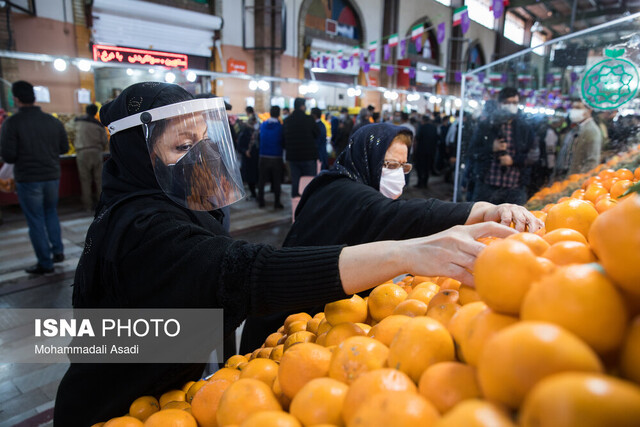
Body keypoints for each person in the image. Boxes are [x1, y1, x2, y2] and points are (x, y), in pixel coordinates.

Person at [52, 83, 518, 426]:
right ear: (138, 154)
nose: (201, 156)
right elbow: (245, 273)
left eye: (204, 141)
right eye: (182, 145)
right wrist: (408, 254)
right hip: (110, 409)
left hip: (168, 398)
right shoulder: (140, 226)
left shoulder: (168, 205)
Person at [238, 123, 542, 351]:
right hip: (280, 332)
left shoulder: (339, 185)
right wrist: (484, 211)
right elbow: (407, 216)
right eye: (387, 165)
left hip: (320, 323)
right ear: (365, 158)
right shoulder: (344, 193)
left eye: (402, 166)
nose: (398, 174)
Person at [0, 81, 69, 274]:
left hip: (29, 179)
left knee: (36, 219)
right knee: (51, 214)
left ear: (15, 98)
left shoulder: (12, 123)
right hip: (52, 175)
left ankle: (45, 263)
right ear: (34, 97)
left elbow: (8, 156)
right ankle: (58, 252)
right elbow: (63, 148)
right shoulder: (52, 121)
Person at [468, 87, 536, 205]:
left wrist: (513, 160)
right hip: (487, 186)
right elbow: (472, 151)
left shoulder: (524, 127)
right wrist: (491, 148)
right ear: (499, 104)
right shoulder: (486, 126)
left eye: (514, 103)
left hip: (515, 188)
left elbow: (534, 155)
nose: (511, 106)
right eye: (507, 103)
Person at [71, 103, 108, 212]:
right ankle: (102, 205)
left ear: (86, 111)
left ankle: (87, 206)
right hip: (96, 152)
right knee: (99, 180)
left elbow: (70, 133)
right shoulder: (99, 125)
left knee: (85, 180)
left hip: (82, 153)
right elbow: (105, 141)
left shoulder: (78, 122)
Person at [282, 97, 319, 197]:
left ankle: (296, 206)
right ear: (302, 106)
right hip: (308, 156)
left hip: (293, 157)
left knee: (296, 181)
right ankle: (308, 206)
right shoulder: (309, 119)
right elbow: (317, 134)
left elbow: (283, 139)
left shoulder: (287, 121)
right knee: (309, 182)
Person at [555, 100, 603, 177]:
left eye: (578, 108)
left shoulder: (592, 131)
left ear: (589, 110)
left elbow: (592, 162)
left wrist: (579, 181)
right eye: (573, 107)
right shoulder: (576, 127)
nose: (574, 110)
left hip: (575, 179)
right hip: (566, 176)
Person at [257, 105, 284, 209]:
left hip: (263, 156)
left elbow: (259, 138)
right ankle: (277, 202)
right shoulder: (280, 127)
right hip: (276, 156)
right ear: (279, 114)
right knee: (277, 180)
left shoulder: (263, 125)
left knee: (262, 180)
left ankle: (261, 201)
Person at [237, 114, 260, 199]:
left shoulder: (258, 132)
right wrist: (245, 151)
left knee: (256, 176)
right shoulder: (244, 133)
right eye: (254, 122)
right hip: (248, 159)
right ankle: (253, 193)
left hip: (256, 158)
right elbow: (239, 147)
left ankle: (255, 193)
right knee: (250, 177)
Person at [414, 115, 439, 188]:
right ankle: (425, 183)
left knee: (420, 167)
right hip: (431, 151)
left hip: (421, 150)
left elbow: (418, 137)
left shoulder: (422, 127)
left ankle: (419, 182)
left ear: (423, 121)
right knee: (427, 167)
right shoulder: (434, 128)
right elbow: (436, 138)